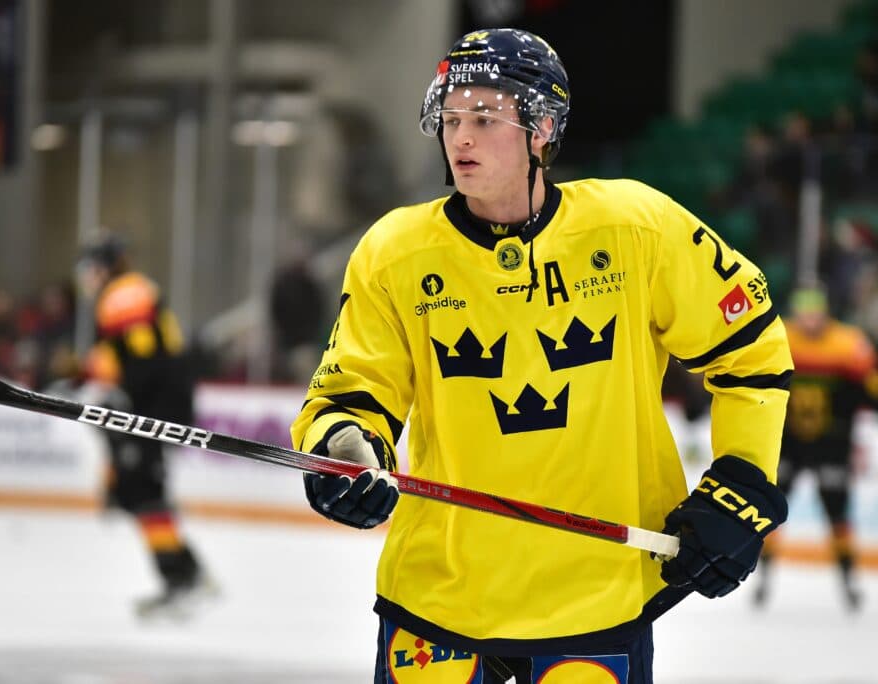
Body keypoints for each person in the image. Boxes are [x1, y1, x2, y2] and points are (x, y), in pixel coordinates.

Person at [289, 29, 793, 683]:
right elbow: (351, 391)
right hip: (438, 595)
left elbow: (752, 347)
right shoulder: (395, 252)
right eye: (451, 118)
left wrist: (742, 483)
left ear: (543, 127)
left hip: (597, 599)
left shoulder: (635, 229)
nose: (460, 137)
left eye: (484, 118)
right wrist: (343, 448)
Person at [77, 232, 215, 619]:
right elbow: (130, 356)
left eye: (90, 267)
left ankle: (183, 578)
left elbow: (144, 362)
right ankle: (187, 573)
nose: (86, 276)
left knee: (141, 492)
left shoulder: (122, 295)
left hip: (156, 407)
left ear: (105, 266)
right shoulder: (129, 290)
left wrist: (117, 399)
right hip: (157, 403)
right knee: (138, 492)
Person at [754, 286, 877, 612]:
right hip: (788, 442)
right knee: (770, 511)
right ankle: (760, 576)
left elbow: (868, 388)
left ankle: (848, 580)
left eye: (815, 308)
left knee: (838, 513)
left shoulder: (847, 342)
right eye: (804, 309)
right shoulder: (783, 336)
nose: (810, 317)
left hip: (832, 443)